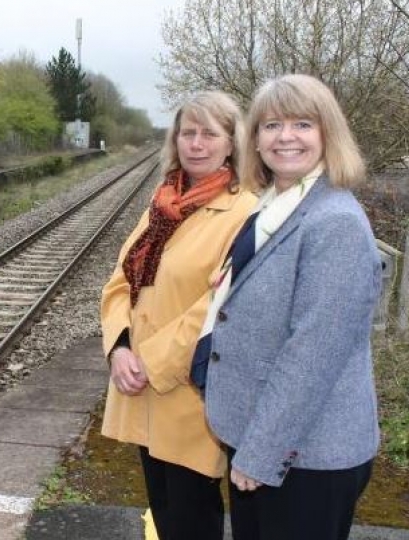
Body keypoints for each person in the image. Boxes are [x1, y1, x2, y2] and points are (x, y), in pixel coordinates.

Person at [203, 74, 382, 540]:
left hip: (304, 457)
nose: (285, 137)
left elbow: (314, 354)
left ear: (328, 134)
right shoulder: (274, 207)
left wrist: (261, 453)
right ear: (255, 141)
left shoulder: (334, 222)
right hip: (267, 443)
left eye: (303, 124)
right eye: (271, 125)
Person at [100, 91, 257, 540]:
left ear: (232, 143)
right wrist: (119, 348)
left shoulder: (245, 210)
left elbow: (219, 306)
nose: (197, 143)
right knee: (166, 514)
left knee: (192, 520)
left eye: (211, 133)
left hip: (189, 397)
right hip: (142, 385)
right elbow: (119, 282)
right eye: (188, 132)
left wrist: (149, 363)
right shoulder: (165, 201)